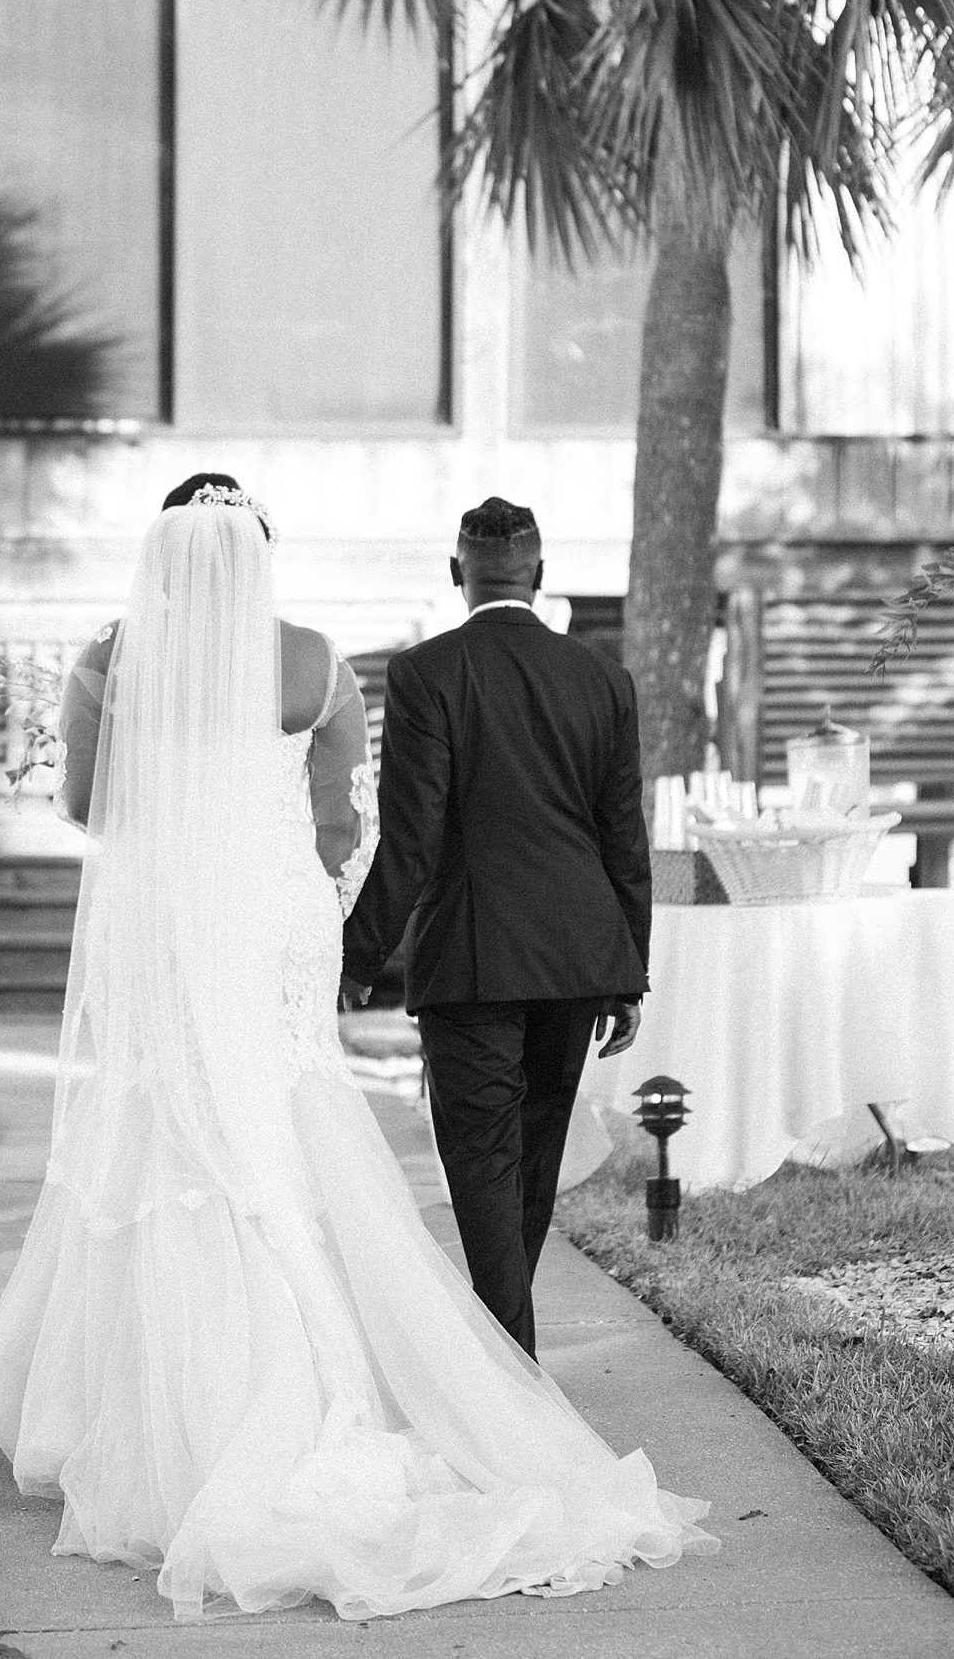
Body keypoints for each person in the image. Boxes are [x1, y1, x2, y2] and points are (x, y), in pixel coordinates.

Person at [0, 480, 712, 1623]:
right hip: (281, 926)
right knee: (288, 1129)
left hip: (173, 921)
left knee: (175, 1125)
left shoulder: (111, 657)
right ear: (258, 556)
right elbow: (343, 824)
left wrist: (183, 812)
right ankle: (442, 1372)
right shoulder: (321, 660)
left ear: (163, 557)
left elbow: (91, 806)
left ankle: (177, 1410)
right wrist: (333, 907)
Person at [343, 498, 651, 1360]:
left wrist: (356, 956)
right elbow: (622, 835)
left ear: (458, 575)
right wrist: (627, 969)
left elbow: (411, 838)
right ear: (541, 576)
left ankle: (511, 1377)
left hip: (474, 961)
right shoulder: (603, 679)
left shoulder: (423, 673)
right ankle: (508, 1362)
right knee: (530, 1161)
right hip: (577, 958)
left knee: (482, 1165)